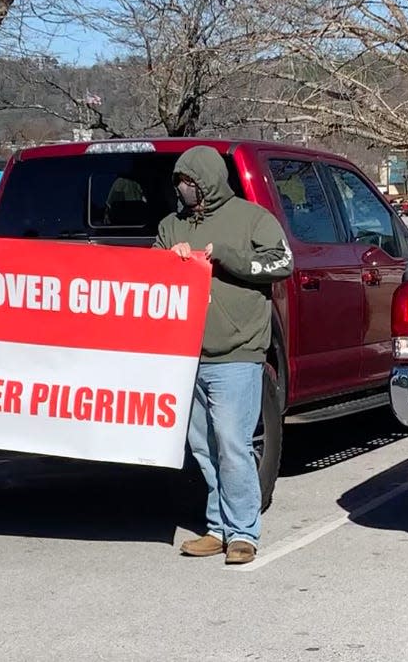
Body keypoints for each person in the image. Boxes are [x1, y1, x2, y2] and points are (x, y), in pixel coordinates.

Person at [156, 146, 293, 566]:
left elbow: (283, 263)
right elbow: (151, 277)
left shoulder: (252, 218)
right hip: (186, 355)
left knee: (233, 444)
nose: (185, 188)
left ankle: (243, 532)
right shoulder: (169, 226)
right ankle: (217, 526)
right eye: (181, 181)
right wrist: (168, 260)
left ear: (209, 180)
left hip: (237, 352)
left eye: (192, 181)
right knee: (202, 446)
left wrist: (229, 258)